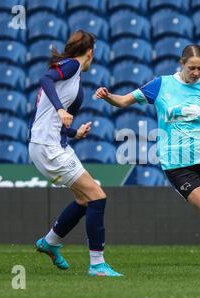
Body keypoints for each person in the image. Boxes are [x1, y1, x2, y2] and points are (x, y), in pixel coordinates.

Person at [96, 44, 200, 266]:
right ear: (181, 64)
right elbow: (123, 101)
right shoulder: (161, 84)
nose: (197, 73)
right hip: (176, 164)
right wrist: (107, 96)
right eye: (192, 68)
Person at [28, 30, 122, 276]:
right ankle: (98, 265)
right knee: (97, 197)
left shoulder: (74, 78)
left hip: (50, 144)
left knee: (84, 199)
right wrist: (61, 110)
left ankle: (49, 243)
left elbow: (46, 118)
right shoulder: (69, 66)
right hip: (48, 147)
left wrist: (74, 134)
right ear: (90, 52)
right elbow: (45, 79)